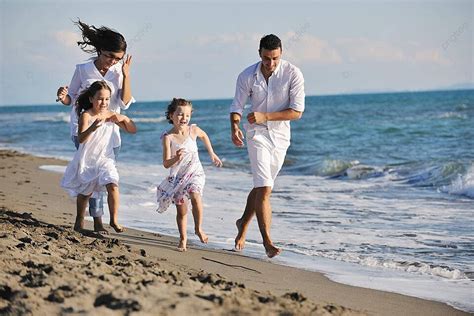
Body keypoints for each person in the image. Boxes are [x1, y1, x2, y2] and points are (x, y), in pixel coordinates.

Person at [229, 34, 305, 258]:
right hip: (256, 135)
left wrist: (266, 116)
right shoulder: (247, 75)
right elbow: (237, 107)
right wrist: (234, 127)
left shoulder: (293, 74)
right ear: (259, 54)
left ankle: (243, 222)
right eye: (266, 58)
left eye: (275, 58)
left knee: (263, 186)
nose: (270, 63)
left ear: (281, 54)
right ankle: (267, 242)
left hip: (280, 137)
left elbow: (297, 112)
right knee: (265, 188)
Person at [56, 19, 134, 234]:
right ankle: (90, 221)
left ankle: (98, 221)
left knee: (105, 177)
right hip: (83, 131)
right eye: (109, 55)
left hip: (110, 135)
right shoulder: (82, 69)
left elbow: (125, 103)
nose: (112, 61)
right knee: (89, 177)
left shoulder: (119, 71)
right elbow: (71, 99)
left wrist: (126, 76)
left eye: (117, 58)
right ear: (100, 50)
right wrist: (63, 97)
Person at [61, 80, 137, 234]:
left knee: (113, 184)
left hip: (106, 159)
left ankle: (114, 220)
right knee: (85, 193)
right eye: (100, 99)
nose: (104, 102)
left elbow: (132, 130)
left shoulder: (111, 114)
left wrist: (124, 119)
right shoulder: (86, 115)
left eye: (107, 99)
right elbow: (81, 138)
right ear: (91, 99)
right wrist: (92, 128)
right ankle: (79, 221)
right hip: (88, 160)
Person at [156, 98, 222, 252]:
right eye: (180, 114)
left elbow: (204, 136)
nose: (184, 118)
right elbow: (166, 163)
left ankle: (198, 229)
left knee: (195, 194)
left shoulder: (193, 130)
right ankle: (183, 239)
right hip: (178, 177)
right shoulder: (168, 137)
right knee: (182, 210)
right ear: (171, 116)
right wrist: (176, 158)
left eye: (187, 115)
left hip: (195, 172)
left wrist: (212, 154)